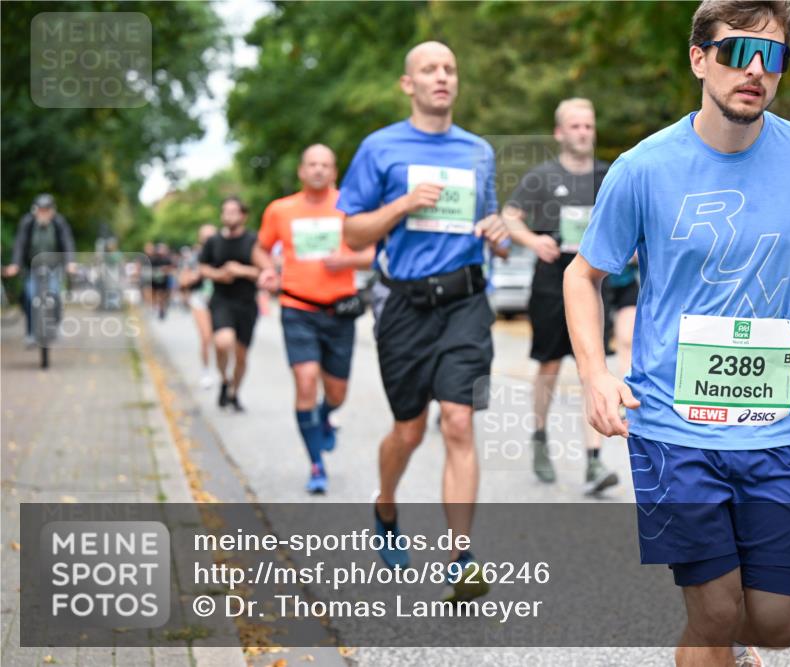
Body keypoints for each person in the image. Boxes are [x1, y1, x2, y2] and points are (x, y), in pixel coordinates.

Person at [563, 2, 790, 665]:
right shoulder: (644, 168)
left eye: (772, 56)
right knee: (717, 609)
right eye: (736, 52)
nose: (754, 70)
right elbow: (582, 276)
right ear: (700, 58)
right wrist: (594, 373)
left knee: (780, 622)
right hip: (674, 428)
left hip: (773, 425)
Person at [339, 41, 510, 602]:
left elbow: (486, 222)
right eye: (429, 70)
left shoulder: (478, 151)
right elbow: (353, 233)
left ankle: (460, 556)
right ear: (407, 84)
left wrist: (498, 234)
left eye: (450, 69)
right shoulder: (380, 148)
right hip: (405, 307)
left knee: (458, 421)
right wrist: (402, 205)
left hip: (464, 301)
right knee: (410, 430)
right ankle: (385, 504)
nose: (442, 77)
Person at [502, 97, 619, 494]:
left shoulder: (609, 175)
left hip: (593, 282)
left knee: (593, 367)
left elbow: (629, 222)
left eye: (588, 126)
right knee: (550, 365)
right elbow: (510, 216)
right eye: (575, 126)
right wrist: (533, 241)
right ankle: (538, 437)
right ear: (559, 132)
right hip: (552, 280)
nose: (583, 132)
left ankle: (594, 461)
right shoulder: (541, 176)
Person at [255, 145, 375, 494]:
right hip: (297, 307)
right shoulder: (280, 210)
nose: (319, 170)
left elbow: (374, 254)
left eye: (325, 165)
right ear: (301, 171)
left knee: (337, 393)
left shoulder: (351, 207)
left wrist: (348, 262)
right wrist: (267, 271)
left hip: (339, 311)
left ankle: (325, 417)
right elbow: (261, 247)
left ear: (334, 172)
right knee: (306, 380)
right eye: (312, 164)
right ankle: (315, 463)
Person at [199, 199, 260, 411]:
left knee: (242, 355)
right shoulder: (213, 241)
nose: (229, 215)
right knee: (223, 342)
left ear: (243, 215)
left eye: (234, 212)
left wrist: (240, 271)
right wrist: (219, 274)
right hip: (221, 299)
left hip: (246, 302)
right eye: (225, 211)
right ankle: (224, 378)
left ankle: (234, 391)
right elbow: (203, 267)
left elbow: (265, 271)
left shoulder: (254, 241)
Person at [4, 194, 76, 346]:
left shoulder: (59, 222)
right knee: (30, 296)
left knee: (55, 293)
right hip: (32, 268)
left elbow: (67, 242)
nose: (43, 213)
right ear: (35, 210)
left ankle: (55, 325)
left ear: (52, 211)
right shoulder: (27, 222)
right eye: (41, 210)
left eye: (47, 210)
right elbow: (20, 244)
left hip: (53, 267)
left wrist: (70, 262)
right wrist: (15, 265)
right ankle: (30, 332)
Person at [181, 224, 217, 389]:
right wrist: (198, 275)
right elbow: (183, 281)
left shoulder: (223, 254)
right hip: (199, 299)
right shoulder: (193, 257)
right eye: (205, 237)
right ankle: (206, 371)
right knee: (205, 337)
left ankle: (223, 373)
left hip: (221, 300)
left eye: (212, 236)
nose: (209, 240)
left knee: (222, 340)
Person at [150, 242, 174, 320]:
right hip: (155, 280)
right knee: (156, 294)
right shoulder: (154, 259)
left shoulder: (167, 259)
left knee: (163, 295)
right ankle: (156, 308)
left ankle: (162, 309)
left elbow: (172, 268)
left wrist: (166, 270)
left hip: (164, 280)